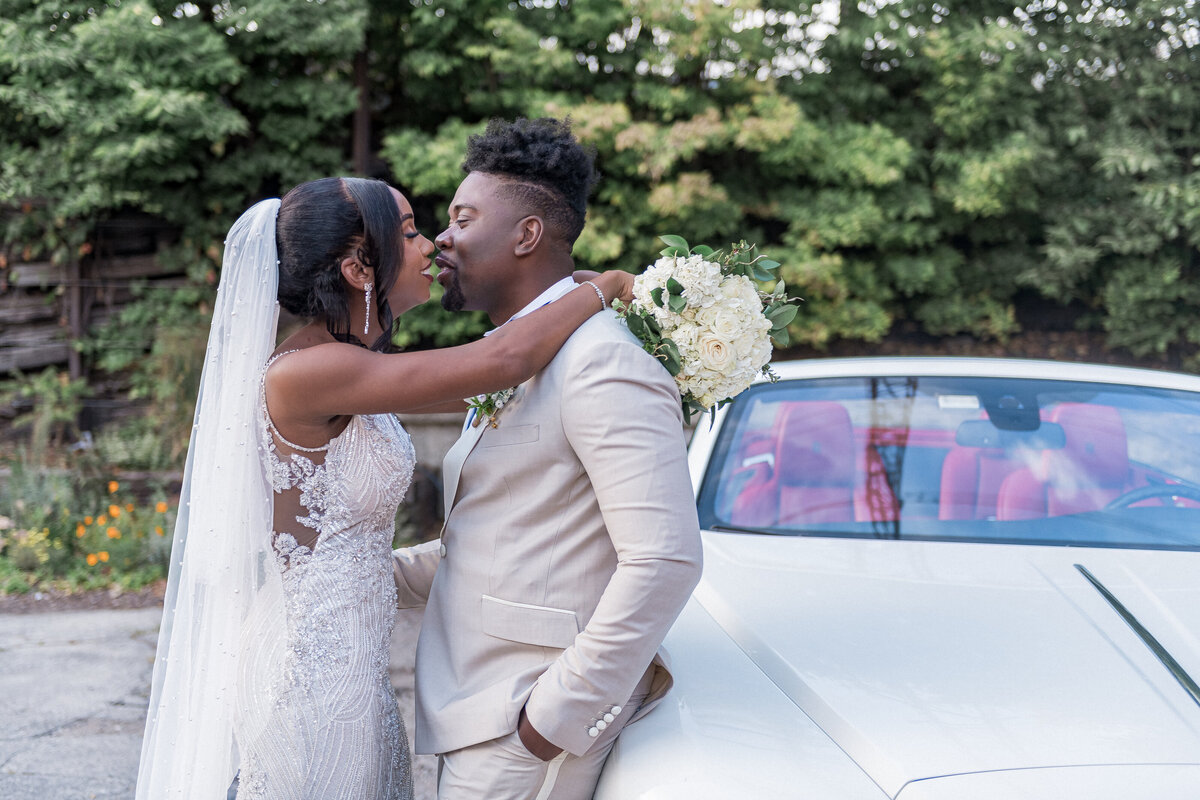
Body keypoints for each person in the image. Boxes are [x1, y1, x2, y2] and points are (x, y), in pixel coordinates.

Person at [134, 176, 634, 800]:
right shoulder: (311, 371)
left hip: (356, 671)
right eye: (408, 232)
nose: (432, 246)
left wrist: (557, 296)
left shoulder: (355, 364)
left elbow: (497, 382)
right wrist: (602, 287)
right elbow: (501, 364)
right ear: (357, 267)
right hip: (307, 677)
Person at [392, 117, 704, 799]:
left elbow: (666, 558)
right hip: (478, 713)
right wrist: (347, 578)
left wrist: (551, 721)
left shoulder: (603, 362)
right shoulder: (526, 352)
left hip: (524, 726)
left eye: (463, 217)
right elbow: (494, 538)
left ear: (527, 234)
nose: (443, 237)